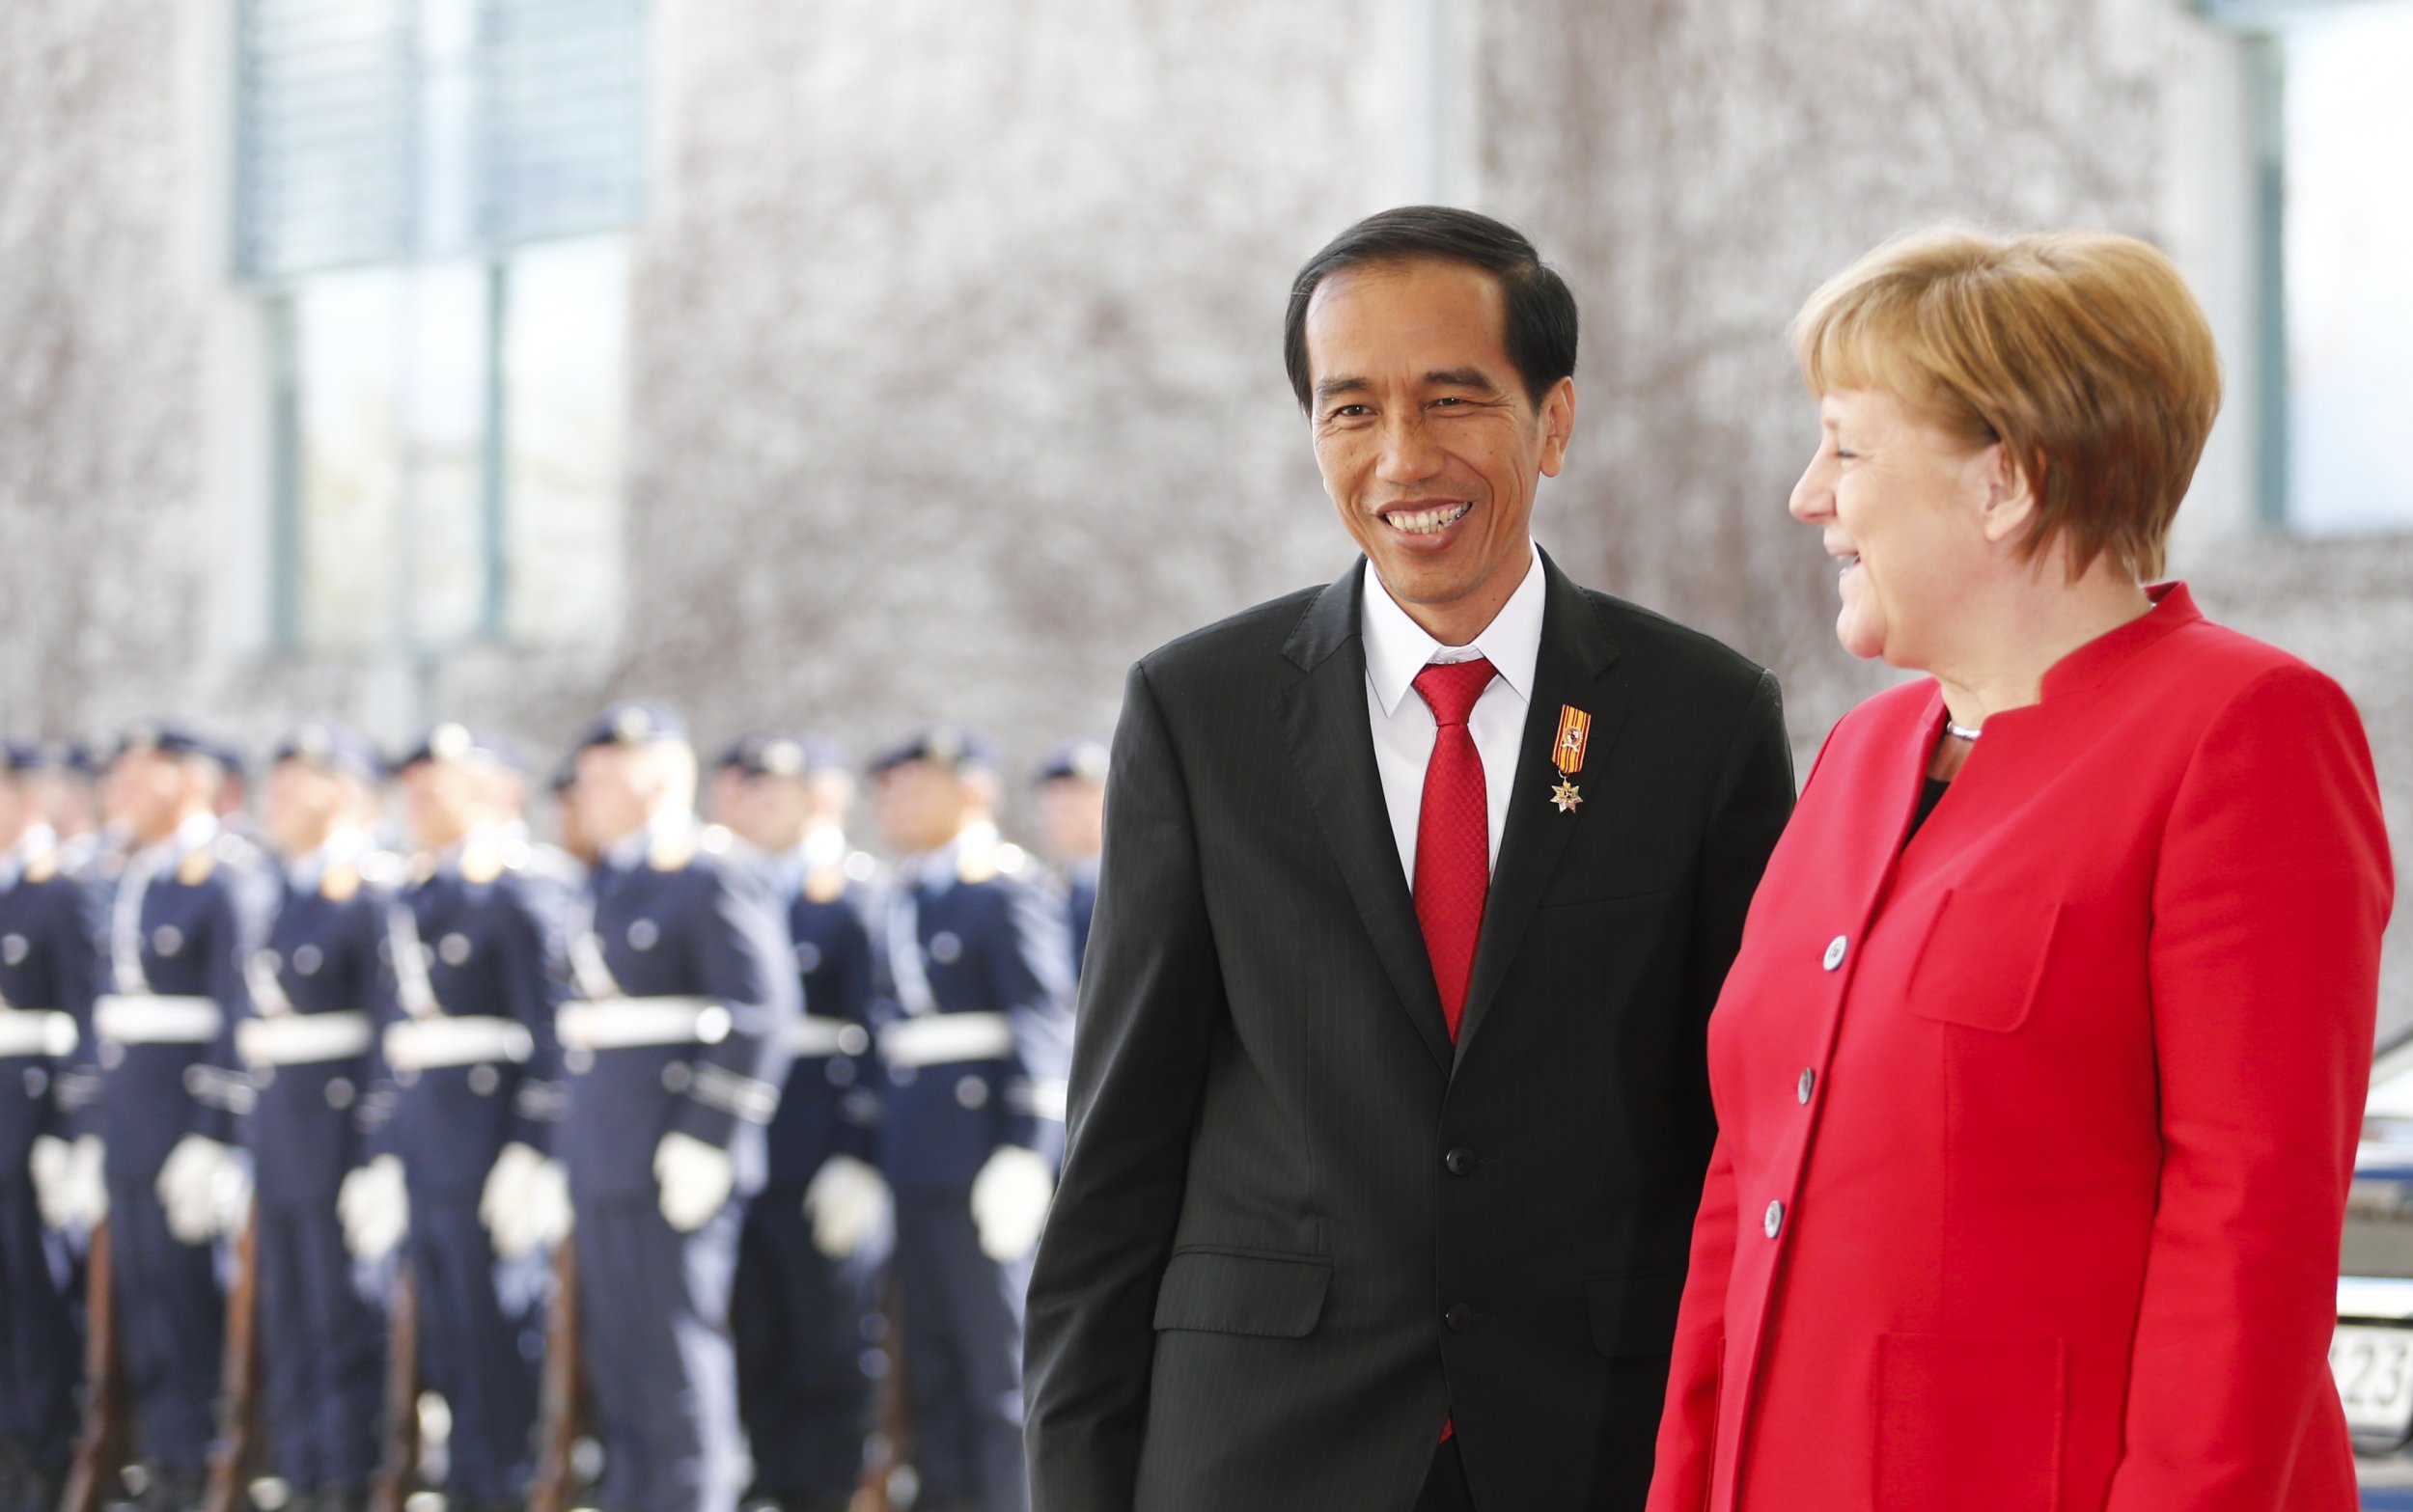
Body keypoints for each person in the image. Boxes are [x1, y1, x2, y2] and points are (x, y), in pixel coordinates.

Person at [1023, 206, 1795, 1512]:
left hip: (1596, 1434)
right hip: (1262, 1450)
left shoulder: (1701, 714)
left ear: (1555, 421)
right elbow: (1116, 1155)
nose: (1402, 458)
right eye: (1350, 410)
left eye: (1452, 401)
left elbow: (1744, 1134)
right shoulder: (1198, 711)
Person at [1645, 228, 2397, 1512]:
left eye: (1847, 443)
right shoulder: (1863, 753)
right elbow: (1745, 1188)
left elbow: (2250, 1237)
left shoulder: (2247, 730)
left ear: (2007, 484)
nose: (1808, 493)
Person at [561, 701, 799, 1512]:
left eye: (605, 776)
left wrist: (711, 1133)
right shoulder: (611, 875)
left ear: (660, 776)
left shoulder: (708, 869)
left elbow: (762, 1009)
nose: (585, 792)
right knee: (622, 1359)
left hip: (673, 1153)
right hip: (607, 1151)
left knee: (675, 1354)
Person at [349, 723, 573, 1512]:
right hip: (426, 1141)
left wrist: (538, 1147)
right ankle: (472, 1479)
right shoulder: (414, 891)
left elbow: (554, 1028)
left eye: (437, 785)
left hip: (489, 1145)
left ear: (498, 791)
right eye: (411, 788)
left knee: (497, 1328)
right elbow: (393, 1035)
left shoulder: (520, 887)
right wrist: (380, 1147)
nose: (420, 802)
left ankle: (508, 1484)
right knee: (445, 1330)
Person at [869, 726, 1072, 1512]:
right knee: (935, 1368)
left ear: (973, 794)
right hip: (917, 1159)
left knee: (999, 1371)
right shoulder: (907, 891)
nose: (896, 804)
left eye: (915, 787)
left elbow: (1044, 1023)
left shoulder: (1004, 888)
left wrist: (1026, 1151)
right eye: (889, 789)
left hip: (985, 1161)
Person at [88, 723, 274, 1512]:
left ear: (190, 782)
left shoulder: (226, 876)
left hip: (187, 1122)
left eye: (142, 773)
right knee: (145, 1302)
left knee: (192, 1301)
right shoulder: (134, 872)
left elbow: (239, 1009)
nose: (120, 787)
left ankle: (204, 1461)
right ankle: (162, 1459)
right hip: (131, 1119)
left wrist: (218, 1133)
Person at [712, 731, 889, 1512]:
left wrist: (860, 1150)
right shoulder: (736, 886)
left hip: (822, 1147)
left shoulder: (852, 894)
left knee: (827, 1335)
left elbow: (880, 1028)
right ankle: (773, 1479)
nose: (760, 808)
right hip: (750, 1147)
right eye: (751, 793)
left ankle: (827, 1484)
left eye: (777, 794)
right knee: (757, 1330)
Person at [241, 726, 396, 1512]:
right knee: (291, 1314)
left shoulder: (371, 892)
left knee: (342, 1314)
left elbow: (388, 1029)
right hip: (284, 1132)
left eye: (291, 785)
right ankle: (303, 1469)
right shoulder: (290, 890)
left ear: (339, 792)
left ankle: (344, 1475)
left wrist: (379, 1149)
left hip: (339, 1135)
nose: (272, 804)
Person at [1, 743, 97, 1512]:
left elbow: (86, 1018)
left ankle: (40, 1451)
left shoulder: (56, 890)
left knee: (34, 1295)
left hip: (29, 1122)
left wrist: (71, 1129)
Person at [1029, 740, 1106, 976]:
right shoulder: (1046, 887)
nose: (1056, 814)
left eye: (1071, 801)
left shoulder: (1129, 885)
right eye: (1051, 802)